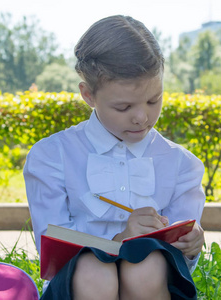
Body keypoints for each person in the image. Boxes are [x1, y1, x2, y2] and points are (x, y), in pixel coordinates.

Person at [23, 15, 205, 300]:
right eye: (123, 106)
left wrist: (191, 245)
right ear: (88, 95)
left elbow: (181, 263)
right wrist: (120, 242)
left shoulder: (182, 164)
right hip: (79, 285)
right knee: (95, 272)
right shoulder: (52, 156)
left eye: (153, 100)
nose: (142, 117)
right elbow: (54, 252)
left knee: (147, 265)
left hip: (153, 285)